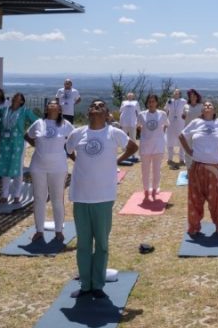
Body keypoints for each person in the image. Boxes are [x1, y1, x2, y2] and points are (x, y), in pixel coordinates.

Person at [65, 100, 138, 298]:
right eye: (93, 105)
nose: (95, 106)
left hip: (104, 196)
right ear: (88, 111)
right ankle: (85, 285)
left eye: (100, 105)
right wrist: (79, 162)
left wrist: (117, 161)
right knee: (84, 243)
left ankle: (97, 285)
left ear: (107, 114)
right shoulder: (77, 133)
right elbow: (68, 149)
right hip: (81, 195)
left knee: (102, 244)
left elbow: (133, 147)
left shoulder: (114, 133)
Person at [179, 101, 218, 236]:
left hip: (214, 168)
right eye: (205, 106)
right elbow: (182, 136)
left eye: (210, 105)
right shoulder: (196, 123)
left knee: (215, 198)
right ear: (202, 111)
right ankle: (194, 226)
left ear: (214, 110)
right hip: (197, 166)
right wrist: (188, 150)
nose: (207, 107)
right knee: (195, 199)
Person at [26, 98, 74, 242]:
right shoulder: (39, 123)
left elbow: (75, 140)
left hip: (58, 167)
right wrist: (39, 147)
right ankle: (39, 231)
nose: (52, 106)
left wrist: (75, 157)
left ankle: (58, 231)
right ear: (46, 109)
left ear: (60, 110)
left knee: (57, 199)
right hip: (38, 166)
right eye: (49, 105)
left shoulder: (66, 125)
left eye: (55, 105)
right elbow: (27, 135)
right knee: (39, 198)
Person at [0, 92, 35, 204]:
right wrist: (2, 126)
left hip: (18, 143)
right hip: (4, 142)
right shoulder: (4, 110)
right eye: (14, 97)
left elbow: (36, 121)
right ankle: (4, 195)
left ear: (21, 101)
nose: (15, 98)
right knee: (4, 167)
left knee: (17, 168)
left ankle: (16, 195)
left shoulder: (25, 111)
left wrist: (28, 133)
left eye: (18, 98)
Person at [137, 94, 169, 202]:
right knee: (145, 171)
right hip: (145, 146)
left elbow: (166, 125)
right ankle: (146, 191)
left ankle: (155, 190)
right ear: (147, 103)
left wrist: (160, 135)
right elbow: (138, 126)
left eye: (153, 101)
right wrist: (146, 135)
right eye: (149, 101)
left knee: (156, 171)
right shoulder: (141, 115)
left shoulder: (162, 114)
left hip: (158, 146)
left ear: (156, 103)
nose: (151, 104)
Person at [165, 88, 187, 168]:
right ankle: (170, 158)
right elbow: (165, 110)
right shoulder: (169, 101)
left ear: (180, 94)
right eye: (175, 93)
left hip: (180, 123)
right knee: (170, 141)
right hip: (170, 123)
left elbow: (186, 110)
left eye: (177, 93)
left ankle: (182, 159)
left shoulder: (183, 101)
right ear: (173, 94)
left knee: (181, 140)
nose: (176, 94)